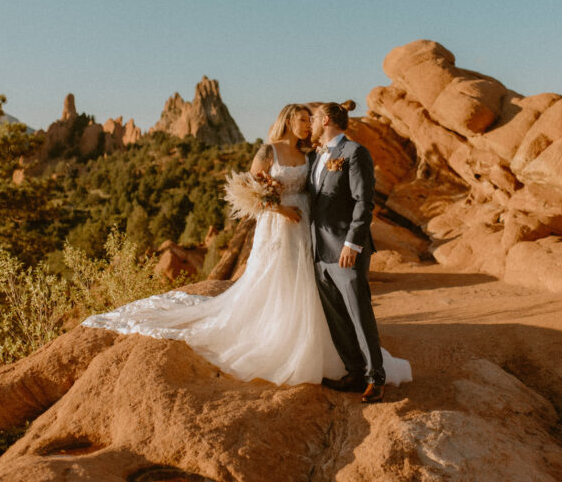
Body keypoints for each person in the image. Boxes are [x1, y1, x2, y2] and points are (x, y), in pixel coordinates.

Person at [81, 103, 410, 392]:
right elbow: (251, 190)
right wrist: (277, 207)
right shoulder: (269, 151)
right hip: (280, 226)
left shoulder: (315, 155)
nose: (307, 123)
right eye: (302, 118)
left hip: (310, 229)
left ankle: (339, 356)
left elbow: (338, 194)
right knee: (276, 280)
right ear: (287, 120)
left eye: (311, 119)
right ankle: (279, 341)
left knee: (308, 287)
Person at [309, 101, 403, 403]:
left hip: (345, 249)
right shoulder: (316, 156)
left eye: (312, 119)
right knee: (336, 315)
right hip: (319, 250)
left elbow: (364, 202)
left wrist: (353, 243)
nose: (309, 124)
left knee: (359, 312)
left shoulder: (354, 153)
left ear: (325, 120)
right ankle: (354, 372)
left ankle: (376, 377)